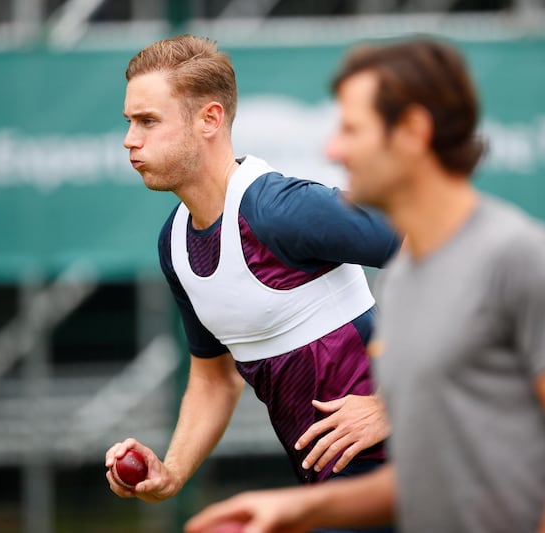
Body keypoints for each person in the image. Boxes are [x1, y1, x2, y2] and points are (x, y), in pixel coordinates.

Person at [185, 37, 545, 533]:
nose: (332, 148)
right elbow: (434, 479)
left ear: (412, 132)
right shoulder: (404, 281)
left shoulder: (521, 259)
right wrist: (299, 511)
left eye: (352, 129)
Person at [105, 34, 400, 526]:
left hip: (410, 466)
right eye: (130, 122)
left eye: (148, 121)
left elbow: (448, 248)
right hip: (333, 483)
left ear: (210, 119)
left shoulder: (281, 209)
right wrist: (172, 472)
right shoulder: (175, 244)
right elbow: (214, 379)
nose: (129, 139)